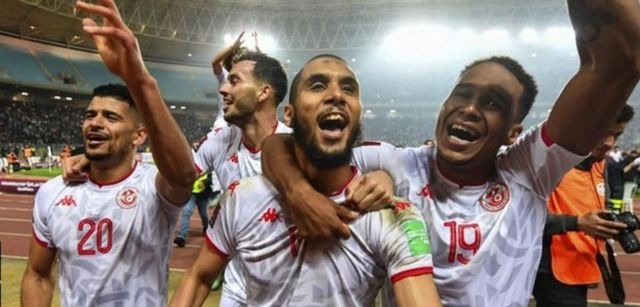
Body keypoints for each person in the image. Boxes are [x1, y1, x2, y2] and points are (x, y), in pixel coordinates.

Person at [259, 1, 640, 305]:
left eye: (492, 102)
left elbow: (613, 63)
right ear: (444, 104)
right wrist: (299, 193)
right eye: (462, 94)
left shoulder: (529, 170)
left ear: (514, 131)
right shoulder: (397, 162)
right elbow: (279, 143)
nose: (470, 108)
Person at [171, 54, 441, 307]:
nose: (336, 95)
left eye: (349, 89)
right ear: (289, 115)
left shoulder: (394, 217)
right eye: (318, 85)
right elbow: (199, 277)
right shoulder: (241, 196)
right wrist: (299, 192)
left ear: (358, 113)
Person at [20, 0, 196, 305]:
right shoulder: (52, 192)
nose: (96, 123)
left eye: (111, 117)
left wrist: (139, 79)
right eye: (90, 115)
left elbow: (184, 175)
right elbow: (37, 275)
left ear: (139, 135)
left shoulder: (153, 187)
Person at [533, 105, 634, 307]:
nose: (610, 143)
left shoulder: (601, 165)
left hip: (582, 263)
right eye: (603, 133)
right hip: (551, 269)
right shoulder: (548, 163)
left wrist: (606, 226)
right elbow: (518, 220)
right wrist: (577, 223)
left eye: (617, 135)